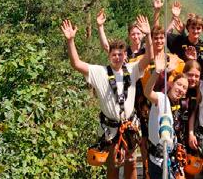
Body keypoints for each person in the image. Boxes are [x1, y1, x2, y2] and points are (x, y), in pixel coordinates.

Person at [61, 16, 153, 179]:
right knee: (112, 164)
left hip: (129, 125)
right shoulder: (99, 72)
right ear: (109, 55)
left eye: (120, 54)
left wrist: (148, 36)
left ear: (125, 55)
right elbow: (76, 63)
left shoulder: (132, 69)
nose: (117, 57)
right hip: (110, 128)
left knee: (131, 162)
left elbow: (149, 58)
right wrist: (70, 41)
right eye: (114, 54)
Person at [145, 52, 189, 179]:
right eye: (179, 84)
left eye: (184, 88)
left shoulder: (181, 106)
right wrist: (157, 72)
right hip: (157, 159)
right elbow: (148, 92)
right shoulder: (161, 98)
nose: (181, 89)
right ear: (171, 84)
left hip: (173, 157)